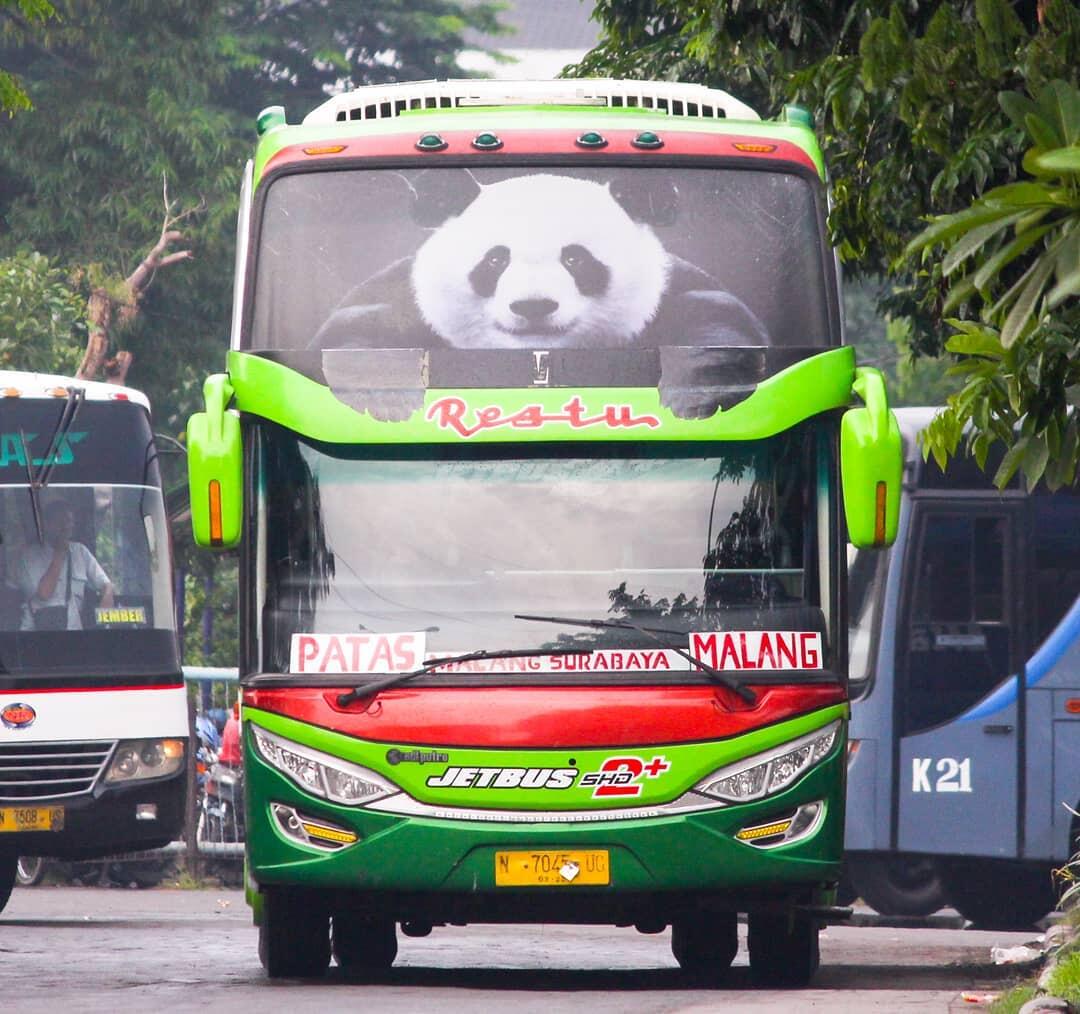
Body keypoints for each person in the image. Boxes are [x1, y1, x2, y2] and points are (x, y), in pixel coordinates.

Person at [17, 501, 114, 630]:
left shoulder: (80, 551)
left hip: (72, 634)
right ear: (47, 524)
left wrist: (106, 603)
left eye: (69, 521)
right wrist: (60, 553)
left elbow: (106, 584)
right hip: (36, 637)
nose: (66, 526)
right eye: (60, 522)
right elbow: (44, 594)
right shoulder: (29, 556)